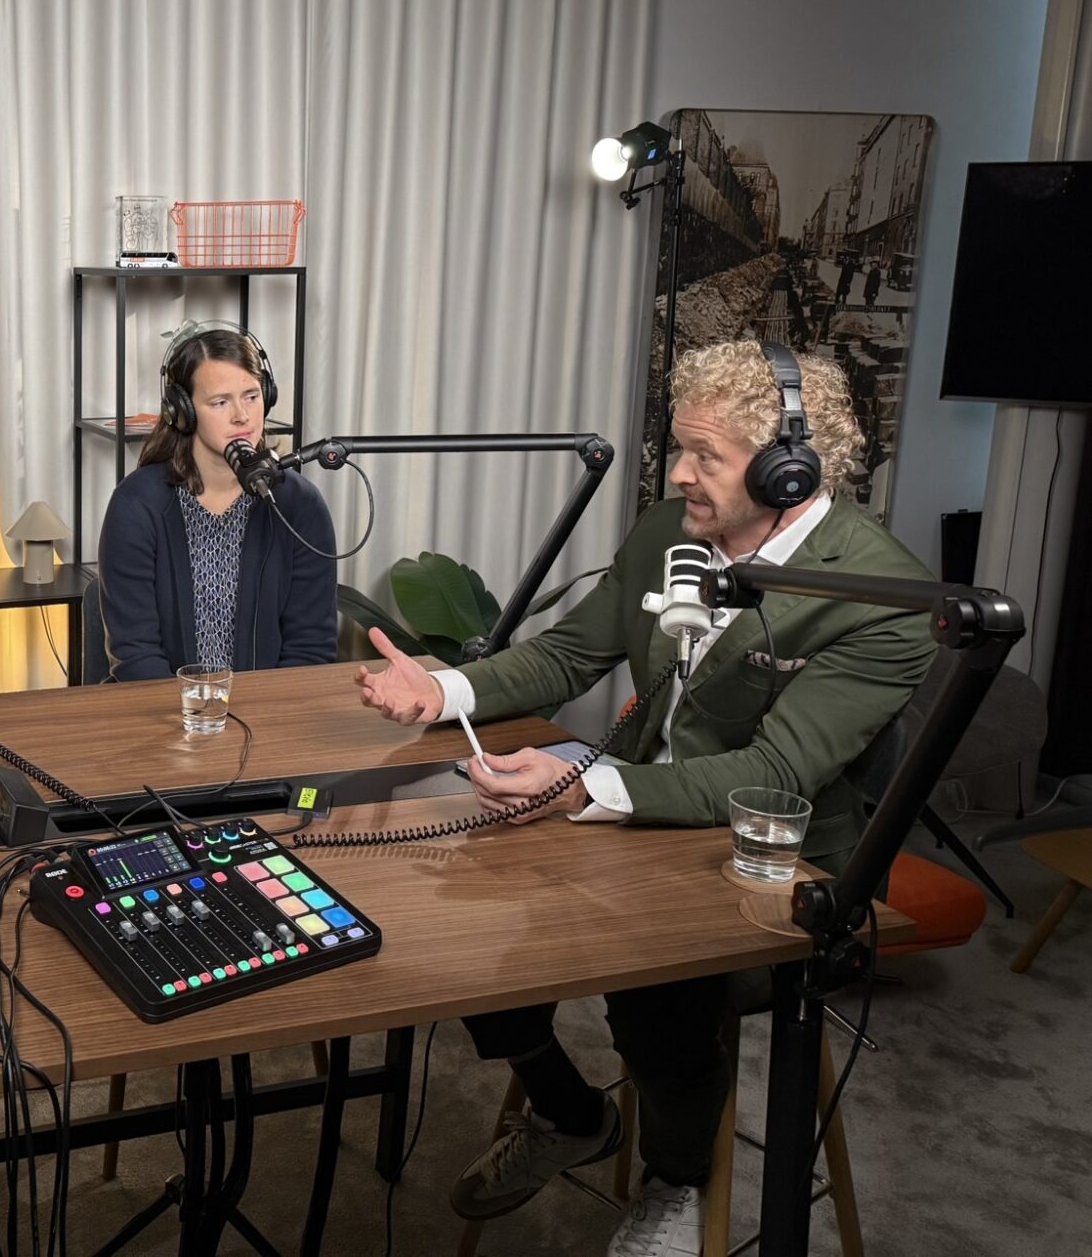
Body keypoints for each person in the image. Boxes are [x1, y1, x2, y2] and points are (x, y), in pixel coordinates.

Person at [357, 340, 936, 1257]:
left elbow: (773, 775)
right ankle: (569, 1113)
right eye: (680, 448)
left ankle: (678, 1179)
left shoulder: (882, 595)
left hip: (772, 860)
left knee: (658, 986)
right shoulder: (671, 529)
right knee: (462, 909)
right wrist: (442, 690)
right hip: (630, 809)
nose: (679, 474)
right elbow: (567, 654)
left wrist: (581, 786)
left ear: (789, 468)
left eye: (706, 455)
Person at [99, 322, 338, 680]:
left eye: (251, 396)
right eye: (220, 402)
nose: (242, 415)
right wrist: (198, 709)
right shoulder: (137, 504)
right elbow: (135, 653)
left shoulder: (300, 505)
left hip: (269, 707)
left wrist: (259, 712)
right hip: (161, 706)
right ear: (183, 411)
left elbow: (311, 649)